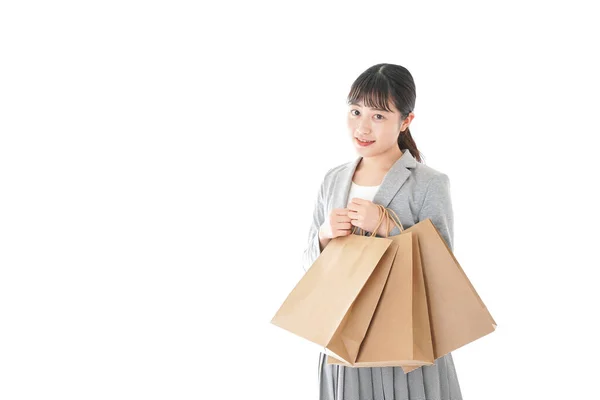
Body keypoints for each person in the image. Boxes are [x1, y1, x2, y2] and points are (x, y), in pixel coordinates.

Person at [302, 63, 464, 400]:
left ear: (406, 121)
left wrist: (389, 228)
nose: (362, 126)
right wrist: (323, 236)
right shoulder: (333, 180)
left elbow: (444, 277)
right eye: (356, 111)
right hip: (344, 347)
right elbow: (308, 271)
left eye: (378, 116)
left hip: (406, 348)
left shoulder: (429, 183)